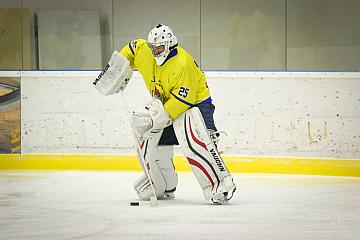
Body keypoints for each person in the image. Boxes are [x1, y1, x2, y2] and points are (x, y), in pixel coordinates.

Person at [95, 24, 236, 204]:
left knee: (198, 141)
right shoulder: (144, 49)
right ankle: (163, 184)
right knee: (148, 135)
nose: (154, 51)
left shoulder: (182, 63)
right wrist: (118, 69)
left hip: (196, 104)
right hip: (166, 103)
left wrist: (159, 117)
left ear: (169, 44)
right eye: (152, 47)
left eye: (159, 47)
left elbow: (184, 99)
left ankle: (220, 185)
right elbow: (131, 49)